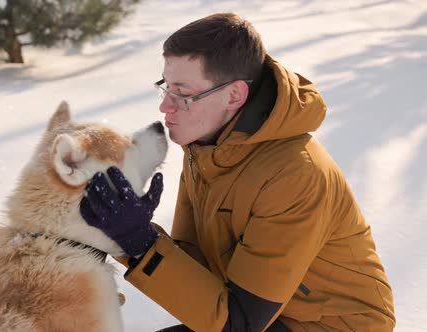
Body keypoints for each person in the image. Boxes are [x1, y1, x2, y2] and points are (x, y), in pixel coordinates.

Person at [79, 13, 395, 332]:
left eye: (182, 93)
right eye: (166, 87)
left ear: (233, 96)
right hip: (264, 315)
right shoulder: (206, 147)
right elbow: (198, 269)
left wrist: (140, 243)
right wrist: (128, 234)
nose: (165, 107)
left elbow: (238, 324)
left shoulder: (293, 175)